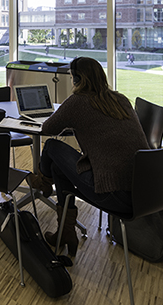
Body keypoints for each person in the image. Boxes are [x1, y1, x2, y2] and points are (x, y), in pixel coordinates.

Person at [31, 57, 148, 257]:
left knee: (51, 146)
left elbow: (48, 128)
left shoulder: (78, 101)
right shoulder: (119, 99)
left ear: (77, 79)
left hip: (111, 193)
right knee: (60, 167)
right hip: (144, 193)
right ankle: (66, 233)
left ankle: (41, 181)